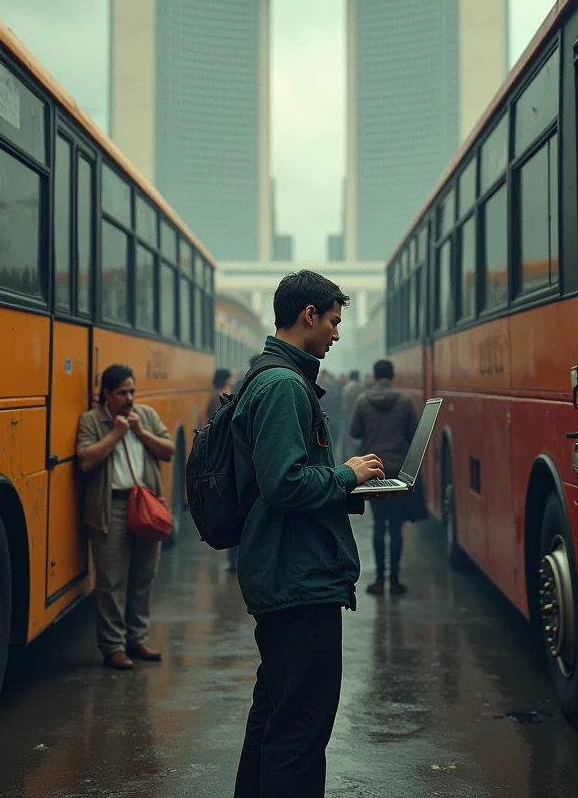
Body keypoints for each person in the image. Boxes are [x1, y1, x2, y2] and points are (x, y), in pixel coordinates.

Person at [231, 270, 385, 798]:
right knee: (301, 727)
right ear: (309, 316)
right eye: (335, 322)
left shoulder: (273, 376)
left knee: (275, 714)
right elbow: (284, 481)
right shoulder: (282, 386)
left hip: (287, 574)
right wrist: (347, 475)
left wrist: (346, 478)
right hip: (299, 579)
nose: (338, 335)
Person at [76, 364, 175, 669]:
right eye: (123, 393)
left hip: (146, 505)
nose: (130, 397)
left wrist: (140, 432)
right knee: (111, 581)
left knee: (144, 575)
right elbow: (85, 460)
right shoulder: (92, 420)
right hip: (112, 508)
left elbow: (168, 450)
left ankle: (137, 639)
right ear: (107, 394)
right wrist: (116, 434)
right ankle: (113, 647)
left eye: (132, 391)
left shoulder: (144, 416)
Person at [349, 359, 418, 597]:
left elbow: (354, 432)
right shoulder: (406, 401)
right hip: (399, 470)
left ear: (374, 375)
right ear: (393, 375)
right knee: (396, 527)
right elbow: (414, 433)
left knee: (379, 525)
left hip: (374, 471)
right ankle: (395, 580)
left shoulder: (363, 400)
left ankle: (379, 581)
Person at [340, 369, 365, 461]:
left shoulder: (346, 387)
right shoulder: (362, 387)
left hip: (348, 416)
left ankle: (347, 458)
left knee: (347, 439)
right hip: (360, 415)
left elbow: (344, 405)